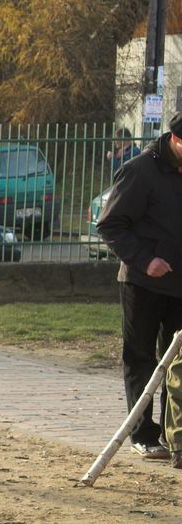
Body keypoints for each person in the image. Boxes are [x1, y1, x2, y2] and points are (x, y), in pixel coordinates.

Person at [97, 112, 182, 461]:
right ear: (175, 139)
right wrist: (146, 260)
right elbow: (110, 225)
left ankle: (174, 435)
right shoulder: (140, 171)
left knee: (177, 363)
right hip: (143, 282)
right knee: (141, 357)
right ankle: (143, 434)